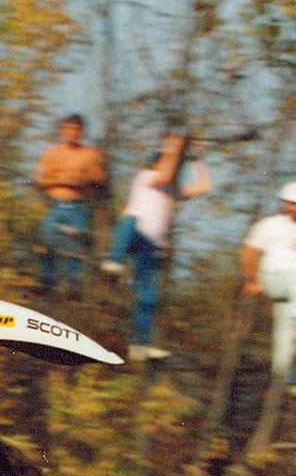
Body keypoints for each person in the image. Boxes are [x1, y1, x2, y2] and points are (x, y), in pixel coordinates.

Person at [101, 132, 211, 362]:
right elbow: (165, 173)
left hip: (151, 245)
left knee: (147, 297)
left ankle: (140, 345)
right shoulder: (147, 175)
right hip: (133, 233)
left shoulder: (172, 189)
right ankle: (114, 259)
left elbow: (204, 186)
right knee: (130, 220)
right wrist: (174, 148)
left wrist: (197, 158)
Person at [32, 113, 105, 297]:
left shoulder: (90, 154)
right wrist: (61, 178)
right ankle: (45, 283)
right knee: (47, 241)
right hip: (55, 205)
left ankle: (74, 288)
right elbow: (40, 180)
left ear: (82, 133)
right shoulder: (51, 153)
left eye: (76, 129)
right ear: (61, 130)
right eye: (68, 128)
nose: (72, 133)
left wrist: (82, 178)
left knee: (75, 249)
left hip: (78, 206)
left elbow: (99, 179)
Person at [240, 182, 296, 393]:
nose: (293, 209)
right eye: (290, 204)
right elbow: (249, 251)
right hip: (273, 277)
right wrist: (252, 280)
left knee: (283, 326)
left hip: (292, 291)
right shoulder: (270, 225)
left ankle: (284, 378)